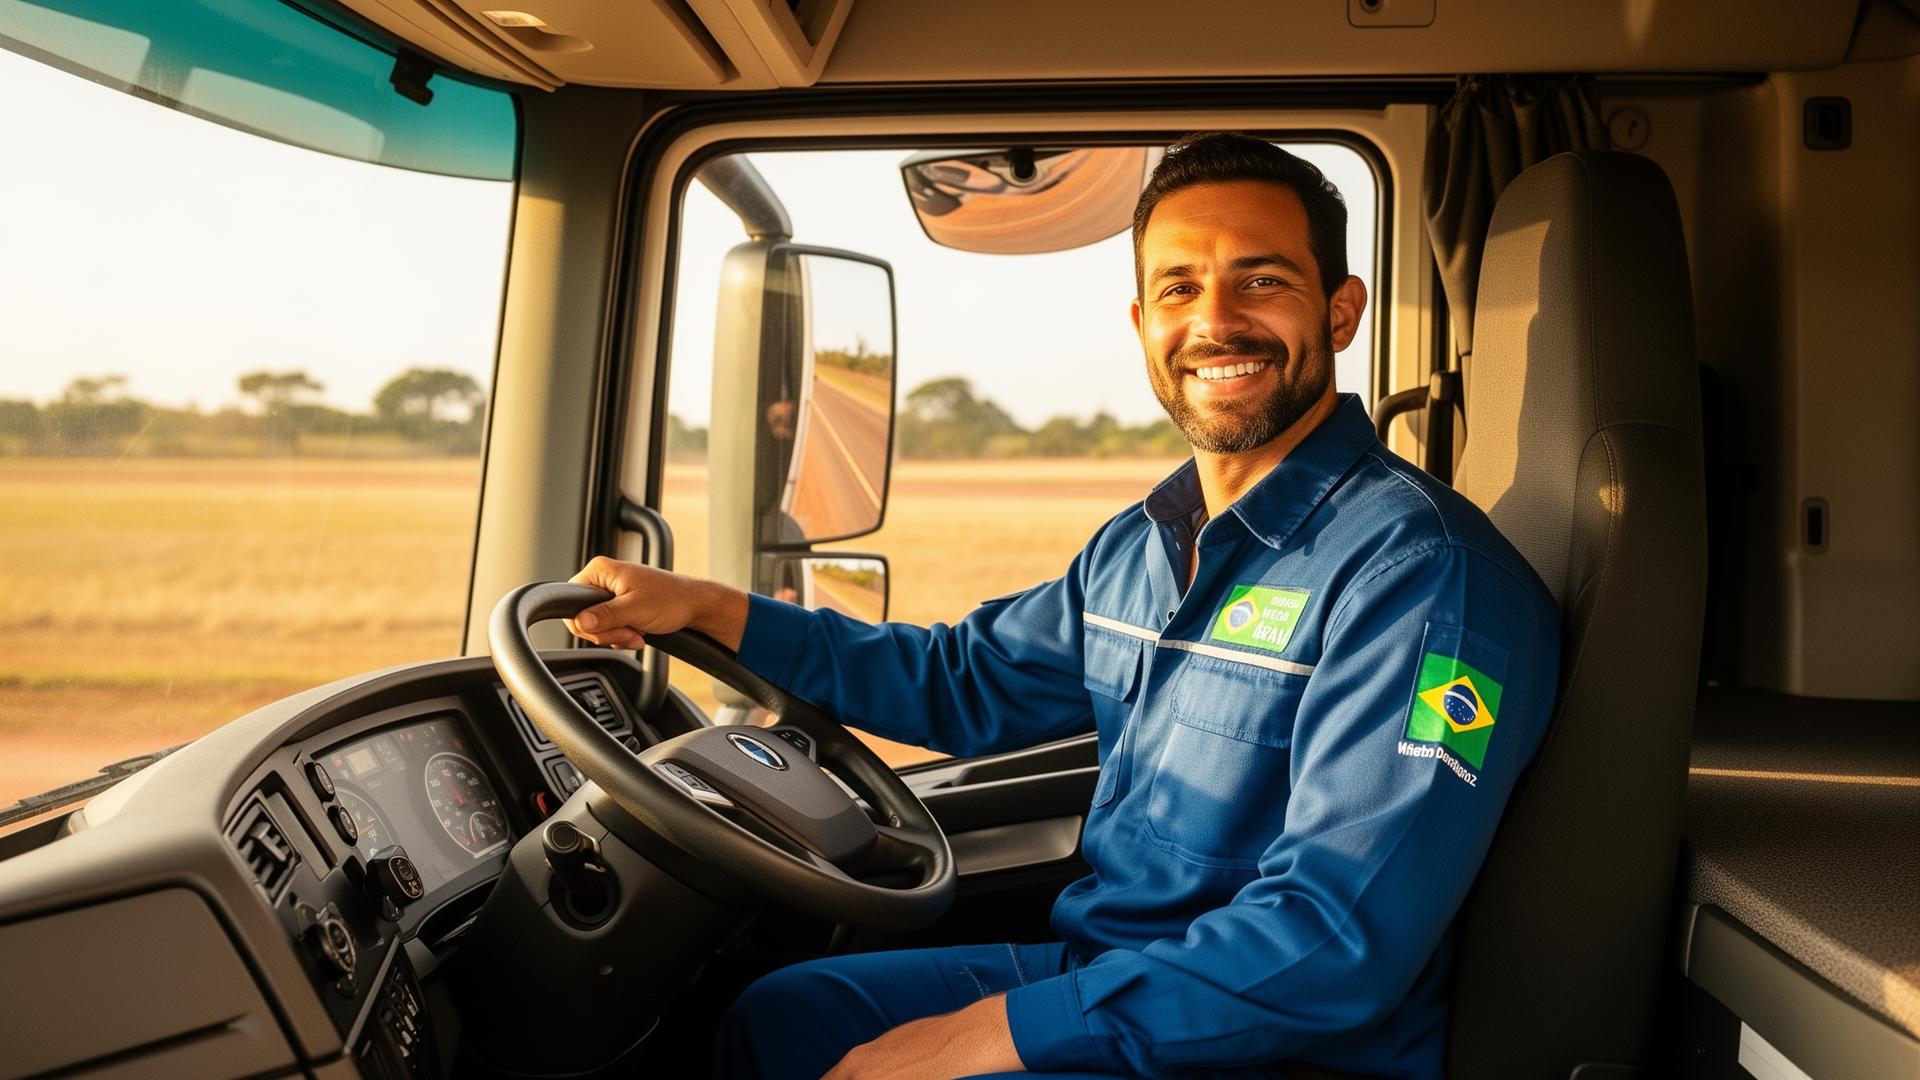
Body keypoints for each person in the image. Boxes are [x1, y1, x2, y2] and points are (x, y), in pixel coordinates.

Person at [566, 133, 1560, 1079]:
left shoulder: (1421, 576)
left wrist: (1003, 1033)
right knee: (782, 1017)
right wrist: (708, 610)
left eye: (1263, 279)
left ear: (1340, 313)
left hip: (1277, 1050)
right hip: (1109, 971)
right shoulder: (1143, 545)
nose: (1216, 321)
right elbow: (958, 683)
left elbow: (1334, 938)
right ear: (1143, 325)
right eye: (1180, 287)